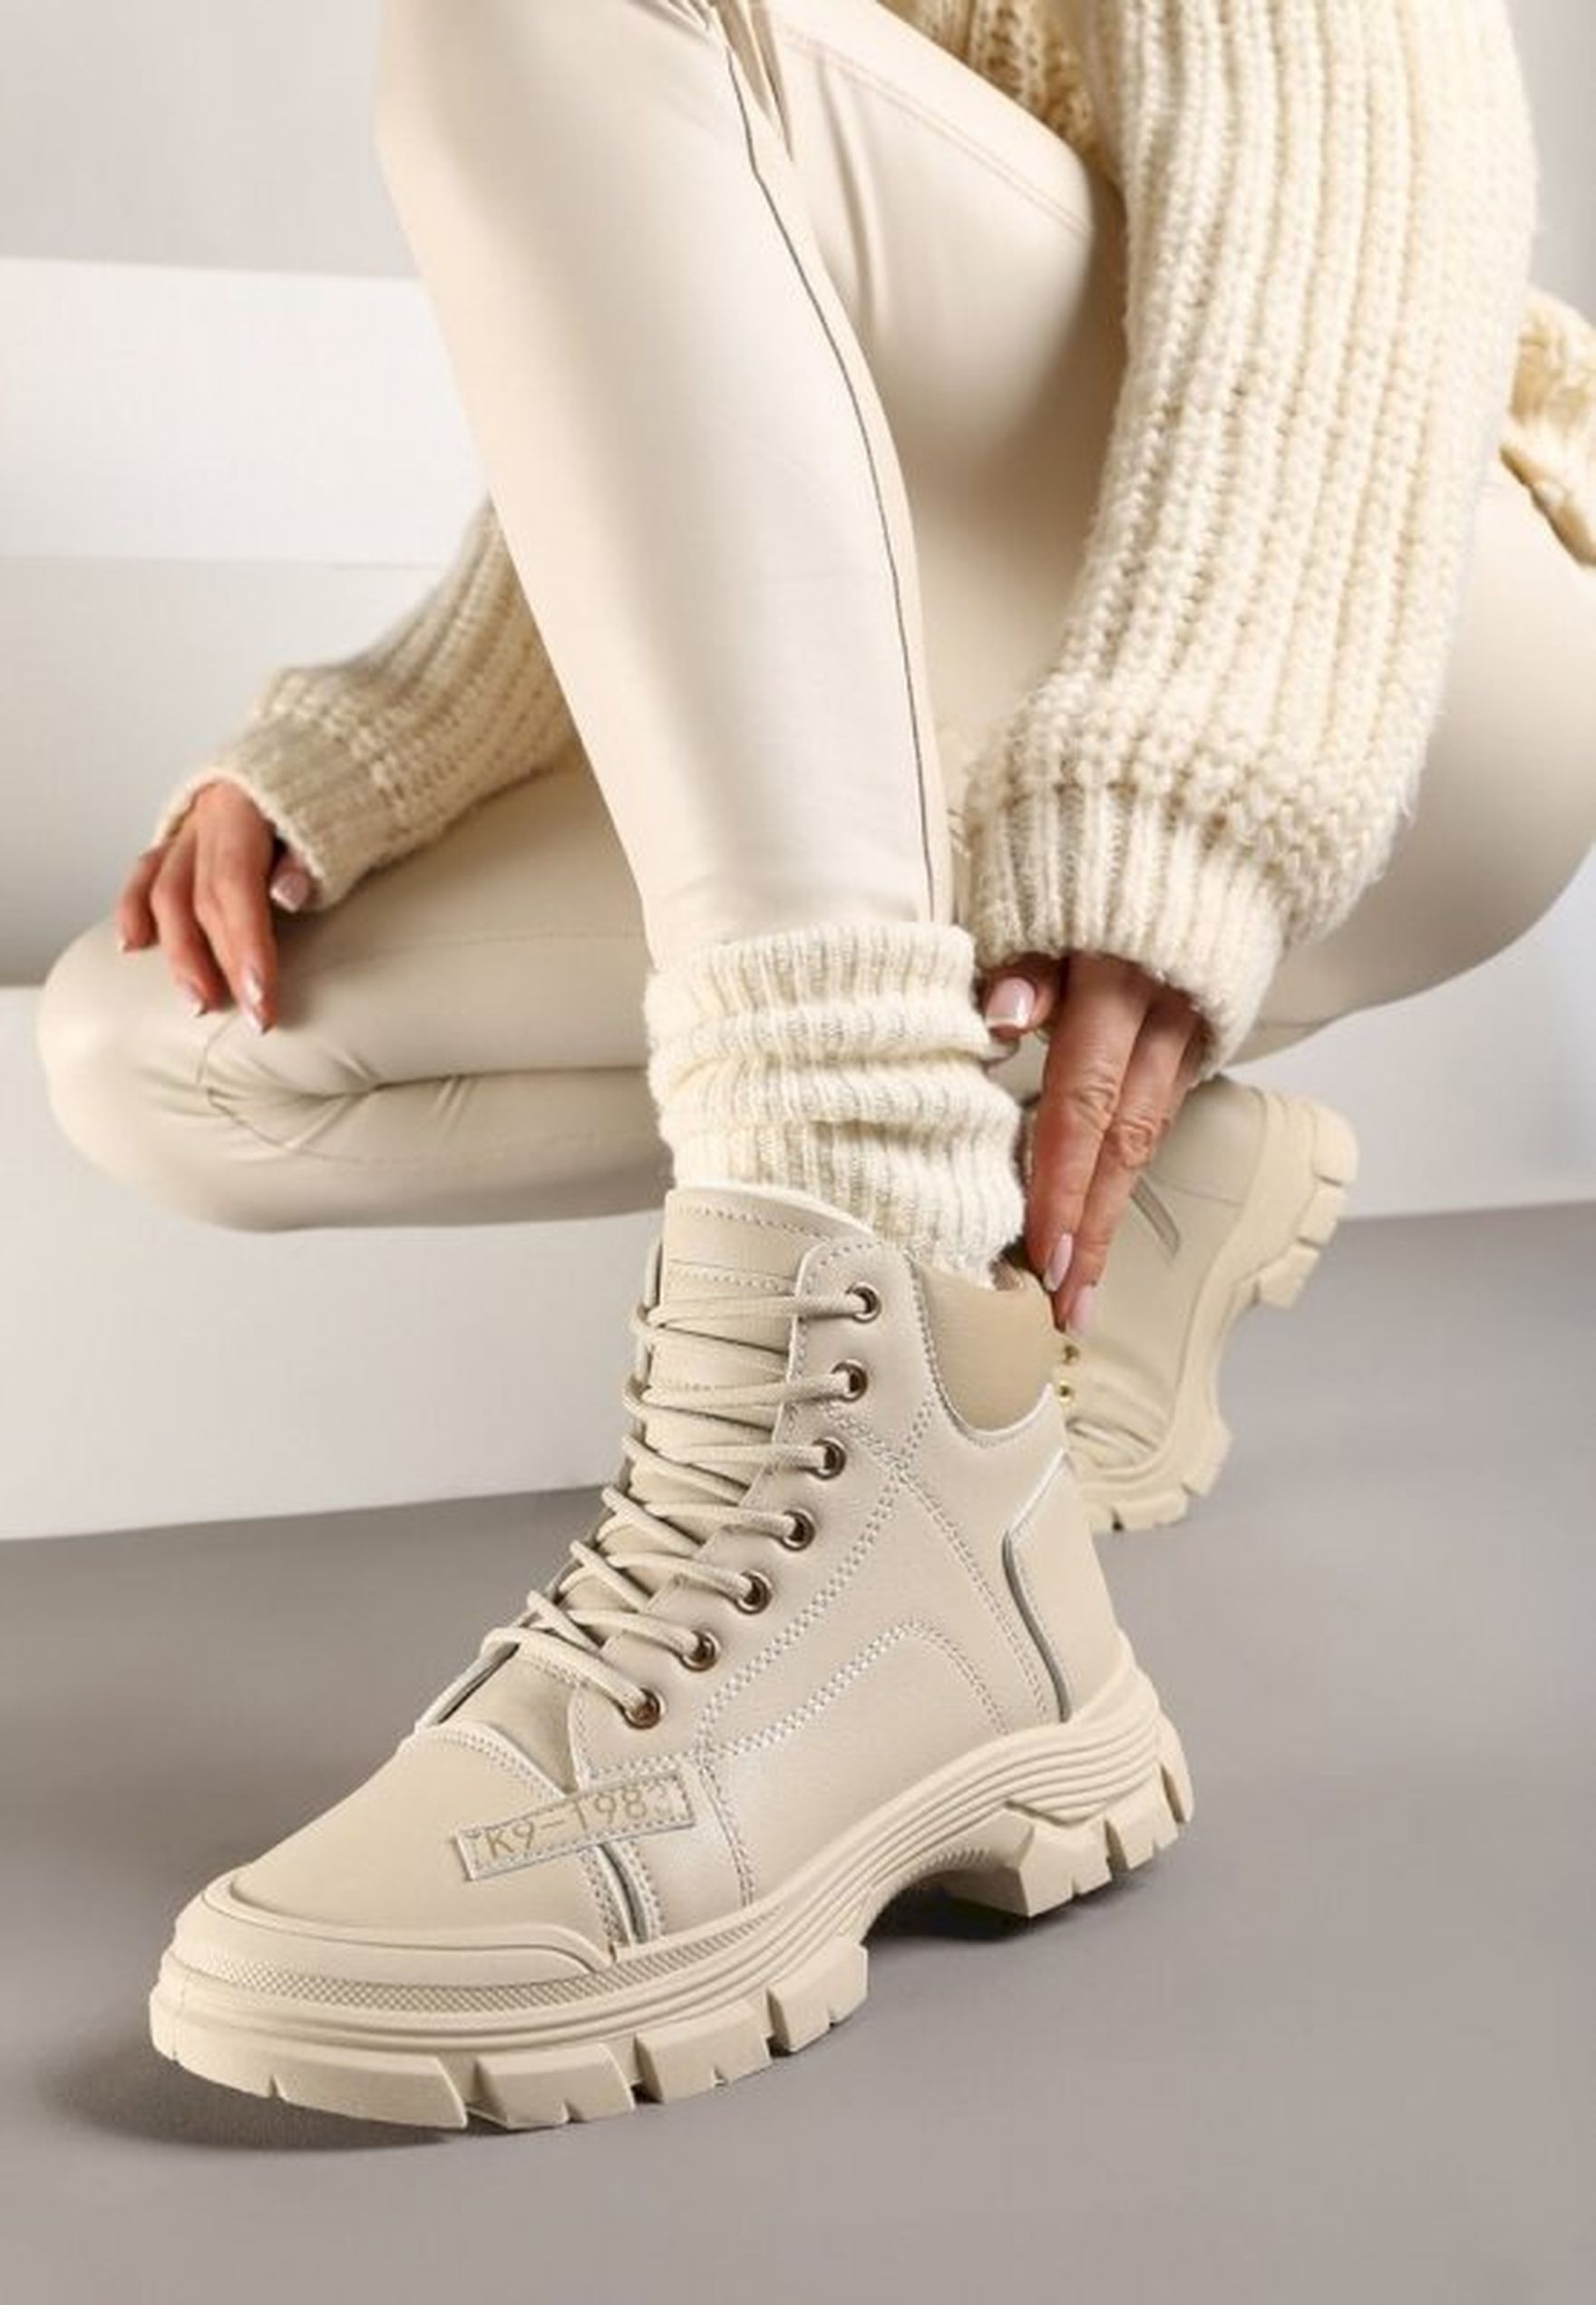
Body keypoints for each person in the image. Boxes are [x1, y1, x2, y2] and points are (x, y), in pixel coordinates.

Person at [34, 0, 1593, 2130]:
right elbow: (724, 328)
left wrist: (1197, 798)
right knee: (164, 1050)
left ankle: (872, 1457)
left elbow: (1376, 122)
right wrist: (381, 738)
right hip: (1000, 642)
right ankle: (1092, 1237)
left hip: (1396, 598)